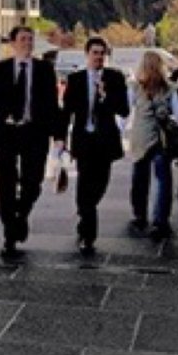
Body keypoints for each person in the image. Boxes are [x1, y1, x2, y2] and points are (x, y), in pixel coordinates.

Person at [0, 24, 62, 261]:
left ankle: (21, 215)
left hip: (34, 132)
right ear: (13, 43)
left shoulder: (44, 69)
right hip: (6, 133)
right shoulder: (1, 69)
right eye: (23, 39)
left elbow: (52, 105)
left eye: (30, 39)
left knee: (32, 182)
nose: (28, 43)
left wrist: (58, 136)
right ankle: (10, 233)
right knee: (6, 184)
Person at [60, 36, 130, 256]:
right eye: (95, 53)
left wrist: (105, 96)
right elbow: (67, 112)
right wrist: (60, 139)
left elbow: (124, 110)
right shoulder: (76, 79)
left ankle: (84, 218)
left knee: (99, 187)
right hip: (84, 140)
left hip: (105, 142)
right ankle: (88, 235)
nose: (99, 57)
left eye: (102, 53)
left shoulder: (115, 78)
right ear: (87, 54)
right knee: (84, 188)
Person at [128, 49, 178, 241]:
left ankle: (139, 215)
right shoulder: (170, 88)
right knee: (163, 180)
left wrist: (122, 131)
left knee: (139, 177)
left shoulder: (135, 87)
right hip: (162, 139)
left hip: (140, 136)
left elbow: (126, 112)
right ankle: (160, 220)